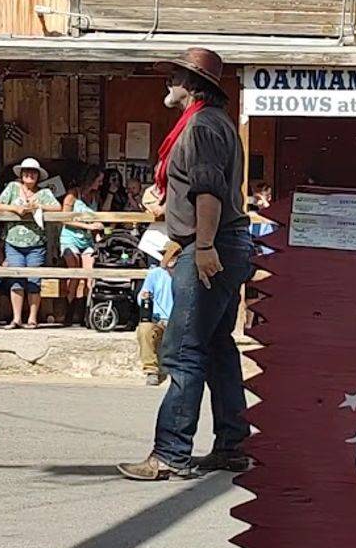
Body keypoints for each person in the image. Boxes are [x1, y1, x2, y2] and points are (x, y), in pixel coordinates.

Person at [117, 46, 251, 482]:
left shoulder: (201, 127)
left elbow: (208, 193)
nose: (168, 83)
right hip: (221, 243)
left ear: (192, 85)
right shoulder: (216, 124)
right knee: (217, 348)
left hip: (210, 245)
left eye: (175, 77)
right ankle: (233, 445)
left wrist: (205, 245)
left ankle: (171, 452)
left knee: (183, 349)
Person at [0, 157, 60, 328]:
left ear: (38, 176)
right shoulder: (12, 188)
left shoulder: (43, 193)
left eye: (33, 172)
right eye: (27, 172)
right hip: (13, 241)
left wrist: (39, 207)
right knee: (16, 280)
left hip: (35, 243)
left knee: (33, 280)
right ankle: (16, 318)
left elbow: (57, 207)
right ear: (21, 174)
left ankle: (32, 318)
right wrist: (15, 208)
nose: (29, 175)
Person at [59, 166, 104, 327]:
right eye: (98, 180)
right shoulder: (72, 195)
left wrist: (97, 228)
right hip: (70, 238)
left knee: (89, 275)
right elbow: (64, 219)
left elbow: (96, 216)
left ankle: (86, 311)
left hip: (87, 241)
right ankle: (69, 313)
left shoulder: (95, 196)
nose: (100, 184)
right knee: (75, 272)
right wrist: (88, 227)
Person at [136, 262, 174, 386]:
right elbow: (141, 297)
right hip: (157, 319)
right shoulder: (155, 274)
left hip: (177, 320)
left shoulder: (185, 274)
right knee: (144, 329)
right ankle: (151, 370)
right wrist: (144, 296)